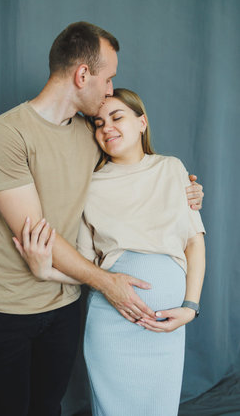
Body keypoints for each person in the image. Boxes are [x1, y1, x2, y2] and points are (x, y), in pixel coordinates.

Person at [0, 21, 204, 416]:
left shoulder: (89, 134)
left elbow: (135, 178)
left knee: (48, 406)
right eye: (108, 78)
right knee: (8, 408)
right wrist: (107, 283)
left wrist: (187, 191)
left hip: (64, 303)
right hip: (6, 305)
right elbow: (34, 229)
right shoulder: (6, 134)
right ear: (83, 74)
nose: (111, 89)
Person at [16, 88, 206, 416]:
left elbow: (194, 242)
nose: (107, 127)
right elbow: (88, 267)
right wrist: (44, 270)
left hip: (166, 327)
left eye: (117, 117)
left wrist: (190, 308)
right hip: (111, 323)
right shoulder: (90, 185)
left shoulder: (172, 169)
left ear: (142, 122)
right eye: (98, 122)